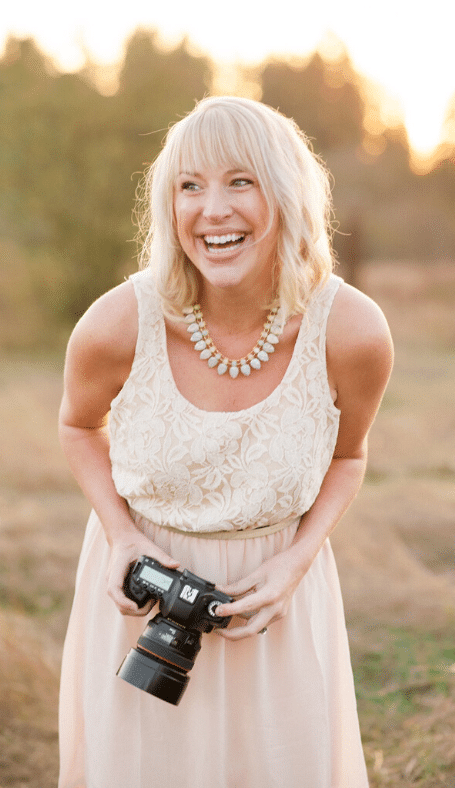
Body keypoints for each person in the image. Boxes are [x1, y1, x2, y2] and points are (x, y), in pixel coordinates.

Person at [56, 96, 393, 787]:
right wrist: (120, 536)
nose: (213, 210)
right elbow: (77, 425)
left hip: (277, 608)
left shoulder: (352, 331)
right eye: (190, 185)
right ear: (168, 204)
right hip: (140, 609)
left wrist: (297, 560)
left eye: (241, 180)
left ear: (287, 194)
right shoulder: (117, 322)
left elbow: (350, 456)